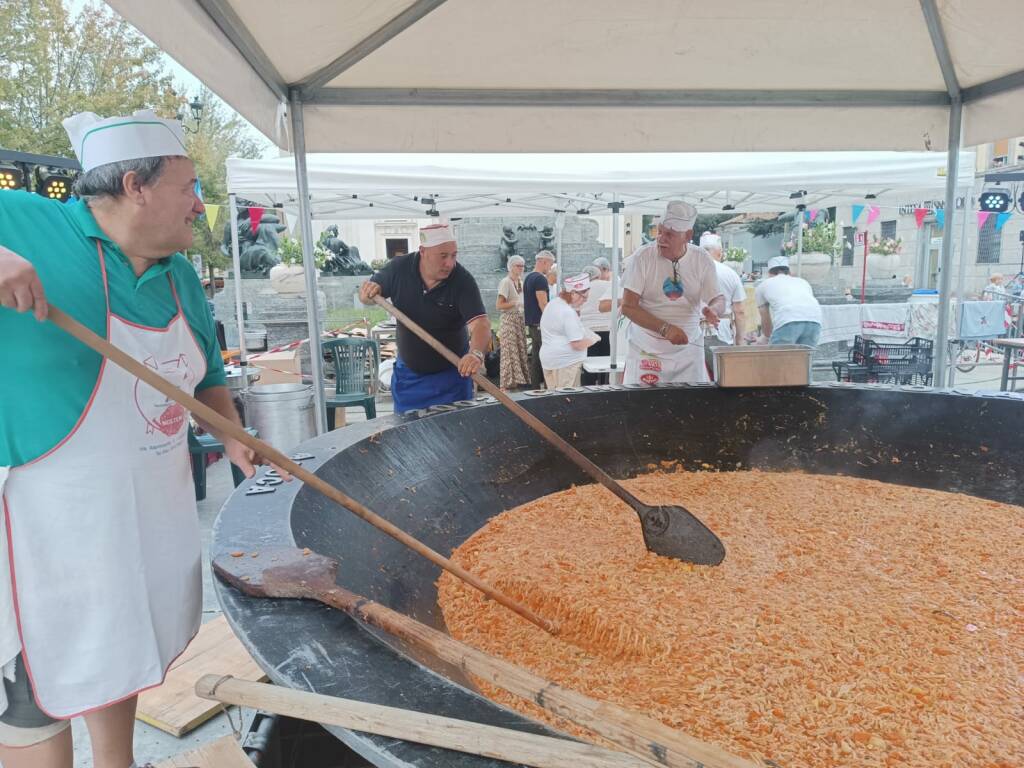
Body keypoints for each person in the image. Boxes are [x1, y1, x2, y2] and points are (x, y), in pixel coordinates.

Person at [0, 109, 280, 768]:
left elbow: (205, 374)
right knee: (40, 680)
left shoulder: (180, 274)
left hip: (145, 511)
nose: (199, 205)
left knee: (118, 642)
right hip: (47, 519)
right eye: (188, 187)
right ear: (136, 186)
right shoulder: (24, 220)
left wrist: (233, 437)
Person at [359, 223, 489, 413]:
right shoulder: (399, 269)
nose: (450, 263)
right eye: (443, 256)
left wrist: (475, 353)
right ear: (423, 251)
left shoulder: (462, 280)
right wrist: (367, 293)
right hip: (409, 378)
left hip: (451, 376)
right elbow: (368, 297)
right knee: (408, 435)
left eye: (454, 255)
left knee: (455, 435)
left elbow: (481, 324)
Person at [620, 201, 725, 385]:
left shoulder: (701, 259)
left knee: (690, 407)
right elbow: (628, 307)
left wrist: (714, 310)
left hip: (688, 348)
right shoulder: (643, 257)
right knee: (641, 407)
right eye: (660, 232)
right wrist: (665, 328)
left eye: (669, 234)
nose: (661, 239)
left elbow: (718, 298)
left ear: (688, 235)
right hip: (647, 348)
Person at [539, 272, 599, 388]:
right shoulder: (567, 312)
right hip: (565, 364)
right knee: (567, 400)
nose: (585, 301)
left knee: (554, 399)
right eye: (584, 297)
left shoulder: (553, 304)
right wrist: (593, 339)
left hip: (550, 360)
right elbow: (576, 344)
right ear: (573, 293)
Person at [698, 232, 747, 373]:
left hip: (693, 333)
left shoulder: (689, 271)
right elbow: (739, 311)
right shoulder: (730, 273)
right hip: (722, 332)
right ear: (719, 253)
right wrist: (740, 341)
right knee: (723, 376)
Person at [755, 256, 823, 346]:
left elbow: (765, 317)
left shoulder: (763, 285)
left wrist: (766, 338)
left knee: (780, 358)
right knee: (805, 357)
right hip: (815, 320)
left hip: (788, 320)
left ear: (769, 273)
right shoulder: (803, 282)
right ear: (789, 272)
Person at [495, 255, 530, 390]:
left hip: (519, 320)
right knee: (509, 353)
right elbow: (499, 305)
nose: (521, 268)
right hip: (509, 320)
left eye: (522, 266)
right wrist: (516, 302)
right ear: (511, 267)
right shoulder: (506, 282)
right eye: (518, 266)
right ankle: (506, 384)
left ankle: (518, 382)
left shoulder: (520, 282)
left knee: (520, 351)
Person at [522, 250, 554, 388]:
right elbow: (543, 303)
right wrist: (552, 320)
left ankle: (535, 387)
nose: (550, 268)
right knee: (547, 356)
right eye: (550, 264)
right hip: (541, 323)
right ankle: (548, 386)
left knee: (536, 357)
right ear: (544, 261)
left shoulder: (528, 277)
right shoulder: (540, 279)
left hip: (532, 322)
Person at [579, 264, 612, 384]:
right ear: (598, 275)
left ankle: (588, 391)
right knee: (606, 365)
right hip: (607, 330)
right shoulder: (609, 285)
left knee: (589, 366)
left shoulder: (581, 289)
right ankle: (604, 390)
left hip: (588, 331)